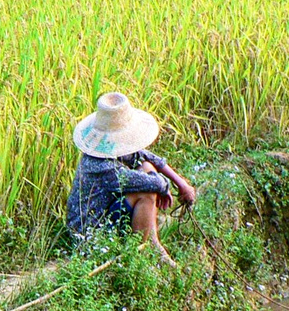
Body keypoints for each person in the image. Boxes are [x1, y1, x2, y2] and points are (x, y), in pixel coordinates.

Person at [66, 91, 196, 264]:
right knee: (147, 192)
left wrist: (181, 184)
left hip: (106, 211)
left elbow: (146, 156)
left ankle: (149, 237)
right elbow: (152, 183)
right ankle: (148, 249)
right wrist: (164, 186)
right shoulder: (101, 166)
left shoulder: (112, 150)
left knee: (147, 167)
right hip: (90, 232)